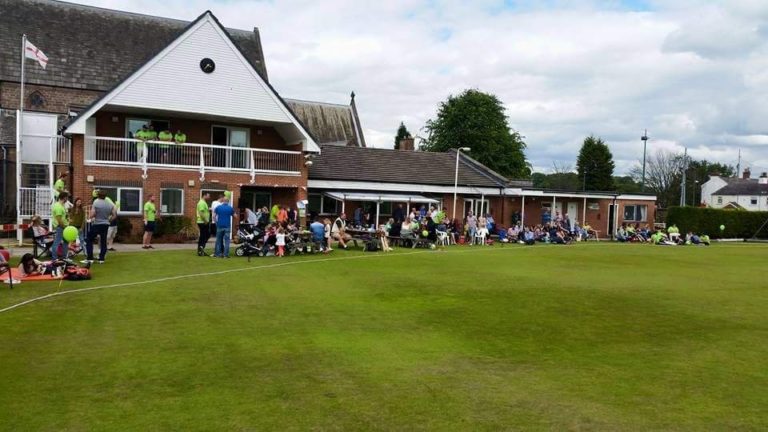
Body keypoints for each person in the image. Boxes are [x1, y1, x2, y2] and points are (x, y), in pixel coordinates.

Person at [84, 190, 116, 264]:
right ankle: (101, 259)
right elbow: (114, 215)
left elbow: (93, 213)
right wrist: (109, 220)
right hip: (105, 225)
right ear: (105, 196)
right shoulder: (109, 204)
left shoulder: (96, 202)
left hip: (97, 223)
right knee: (103, 241)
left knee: (89, 239)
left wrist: (88, 217)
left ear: (98, 195)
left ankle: (90, 258)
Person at [50, 191, 70, 261]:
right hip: (60, 227)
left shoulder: (61, 205)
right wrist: (64, 227)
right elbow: (59, 219)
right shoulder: (58, 206)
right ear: (64, 198)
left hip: (63, 227)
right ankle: (54, 258)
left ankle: (64, 258)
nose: (67, 199)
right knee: (57, 242)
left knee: (66, 242)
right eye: (67, 197)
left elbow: (63, 217)